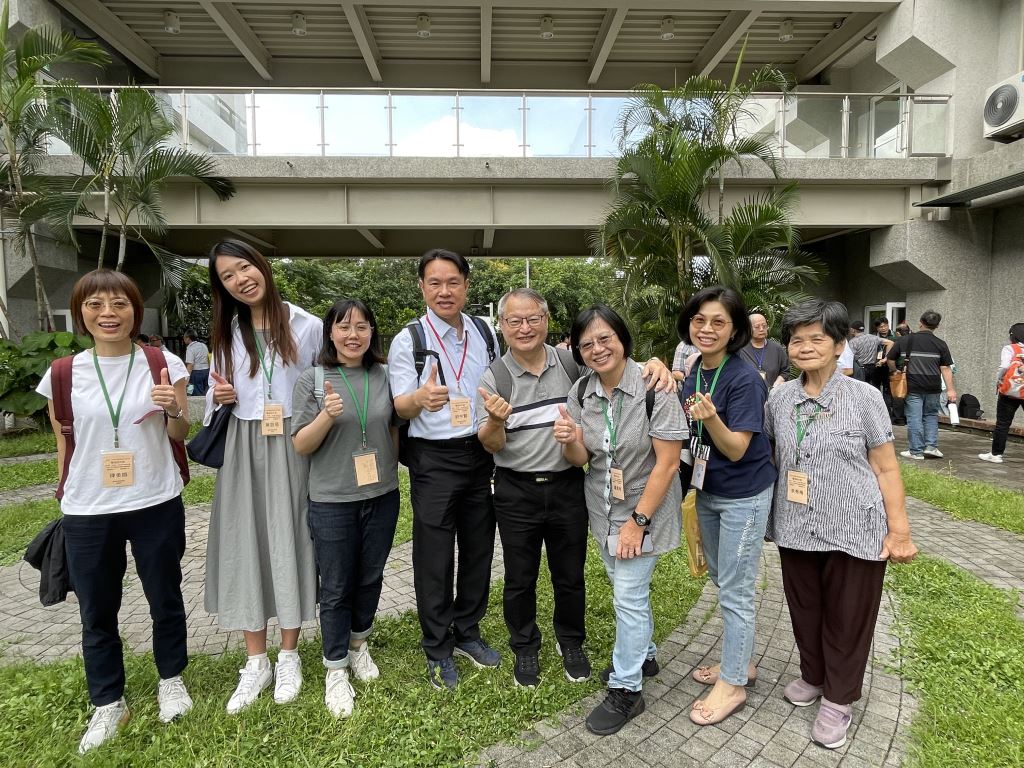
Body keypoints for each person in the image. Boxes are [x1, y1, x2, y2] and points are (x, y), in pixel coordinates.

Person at [476, 289, 673, 689]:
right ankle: (525, 645)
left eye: (533, 318)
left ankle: (571, 642)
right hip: (516, 489)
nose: (524, 328)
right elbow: (491, 445)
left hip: (567, 484)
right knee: (519, 576)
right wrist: (495, 421)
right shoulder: (494, 376)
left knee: (570, 574)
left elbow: (615, 366)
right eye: (514, 321)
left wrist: (657, 365)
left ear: (546, 320)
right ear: (502, 326)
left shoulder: (571, 362)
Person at [37, 270, 191, 753]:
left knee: (165, 596)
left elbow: (180, 433)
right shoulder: (62, 374)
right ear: (81, 312)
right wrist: (67, 494)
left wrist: (172, 409)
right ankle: (108, 701)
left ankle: (172, 680)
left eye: (120, 303)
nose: (108, 313)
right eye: (96, 304)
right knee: (97, 608)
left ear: (135, 311)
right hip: (88, 508)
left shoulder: (162, 362)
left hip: (154, 499)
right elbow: (64, 442)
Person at [765, 299, 918, 749]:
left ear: (838, 345)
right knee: (805, 610)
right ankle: (814, 676)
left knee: (848, 618)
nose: (805, 347)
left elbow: (886, 467)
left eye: (817, 338)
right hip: (795, 525)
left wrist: (900, 531)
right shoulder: (780, 399)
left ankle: (838, 697)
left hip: (854, 526)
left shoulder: (864, 397)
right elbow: (772, 456)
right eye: (797, 340)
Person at [553, 305, 685, 736]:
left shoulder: (654, 387)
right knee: (626, 590)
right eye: (586, 344)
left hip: (644, 511)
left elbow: (667, 464)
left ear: (622, 339)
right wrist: (570, 440)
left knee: (627, 597)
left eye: (605, 338)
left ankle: (627, 688)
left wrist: (637, 522)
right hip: (602, 509)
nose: (597, 349)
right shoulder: (581, 392)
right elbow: (582, 459)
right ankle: (645, 654)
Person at [204, 239, 321, 713]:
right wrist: (221, 395)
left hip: (293, 443)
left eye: (244, 267)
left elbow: (320, 386)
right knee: (245, 541)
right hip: (243, 443)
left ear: (262, 266)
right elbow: (215, 394)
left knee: (291, 538)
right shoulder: (226, 331)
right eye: (227, 276)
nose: (240, 280)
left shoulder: (308, 325)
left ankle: (289, 653)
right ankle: (256, 661)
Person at [388, 248, 502, 689]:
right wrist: (420, 399)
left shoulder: (484, 332)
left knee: (479, 548)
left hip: (480, 451)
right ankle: (437, 645)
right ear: (422, 288)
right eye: (434, 283)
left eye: (453, 282)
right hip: (433, 458)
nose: (444, 291)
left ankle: (467, 631)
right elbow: (400, 406)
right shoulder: (409, 339)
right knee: (434, 555)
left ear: (467, 286)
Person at [292, 299, 401, 718]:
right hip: (332, 500)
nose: (353, 335)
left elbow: (394, 428)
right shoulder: (314, 379)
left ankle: (358, 645)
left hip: (382, 495)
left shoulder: (384, 375)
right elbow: (301, 444)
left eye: (361, 326)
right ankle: (335, 667)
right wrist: (325, 416)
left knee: (371, 576)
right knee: (336, 586)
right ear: (330, 333)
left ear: (372, 332)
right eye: (344, 326)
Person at [677, 286, 777, 726]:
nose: (707, 329)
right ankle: (741, 661)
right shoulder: (697, 369)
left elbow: (737, 448)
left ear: (734, 329)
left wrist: (711, 417)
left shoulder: (744, 378)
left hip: (743, 495)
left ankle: (733, 683)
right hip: (709, 491)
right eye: (699, 320)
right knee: (723, 579)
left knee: (736, 589)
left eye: (718, 322)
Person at [886, 310, 956, 460]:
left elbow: (890, 359)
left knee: (914, 417)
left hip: (912, 385)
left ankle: (916, 451)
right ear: (937, 326)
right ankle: (931, 447)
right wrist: (951, 390)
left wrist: (895, 370)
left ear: (920, 322)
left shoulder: (905, 340)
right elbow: (945, 368)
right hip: (933, 386)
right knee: (931, 415)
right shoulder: (940, 344)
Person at [979, 322, 1024, 463]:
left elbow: (1004, 366)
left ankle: (996, 454)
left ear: (1013, 335)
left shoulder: (1010, 348)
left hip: (1010, 390)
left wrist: (999, 379)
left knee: (1003, 423)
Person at [738, 313, 789, 387]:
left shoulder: (777, 348)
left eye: (764, 326)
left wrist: (777, 383)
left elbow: (785, 371)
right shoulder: (740, 349)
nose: (761, 329)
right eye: (757, 327)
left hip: (772, 392)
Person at [847, 321, 893, 389]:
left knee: (860, 390)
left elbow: (850, 357)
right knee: (873, 389)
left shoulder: (853, 342)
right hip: (873, 368)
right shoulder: (874, 338)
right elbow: (890, 343)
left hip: (860, 369)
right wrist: (885, 358)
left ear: (853, 330)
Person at [182, 329, 211, 396]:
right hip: (206, 370)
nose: (184, 339)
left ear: (188, 338)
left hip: (196, 372)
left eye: (184, 337)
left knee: (197, 393)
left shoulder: (190, 348)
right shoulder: (203, 345)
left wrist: (187, 377)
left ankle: (199, 402)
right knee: (205, 391)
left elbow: (190, 364)